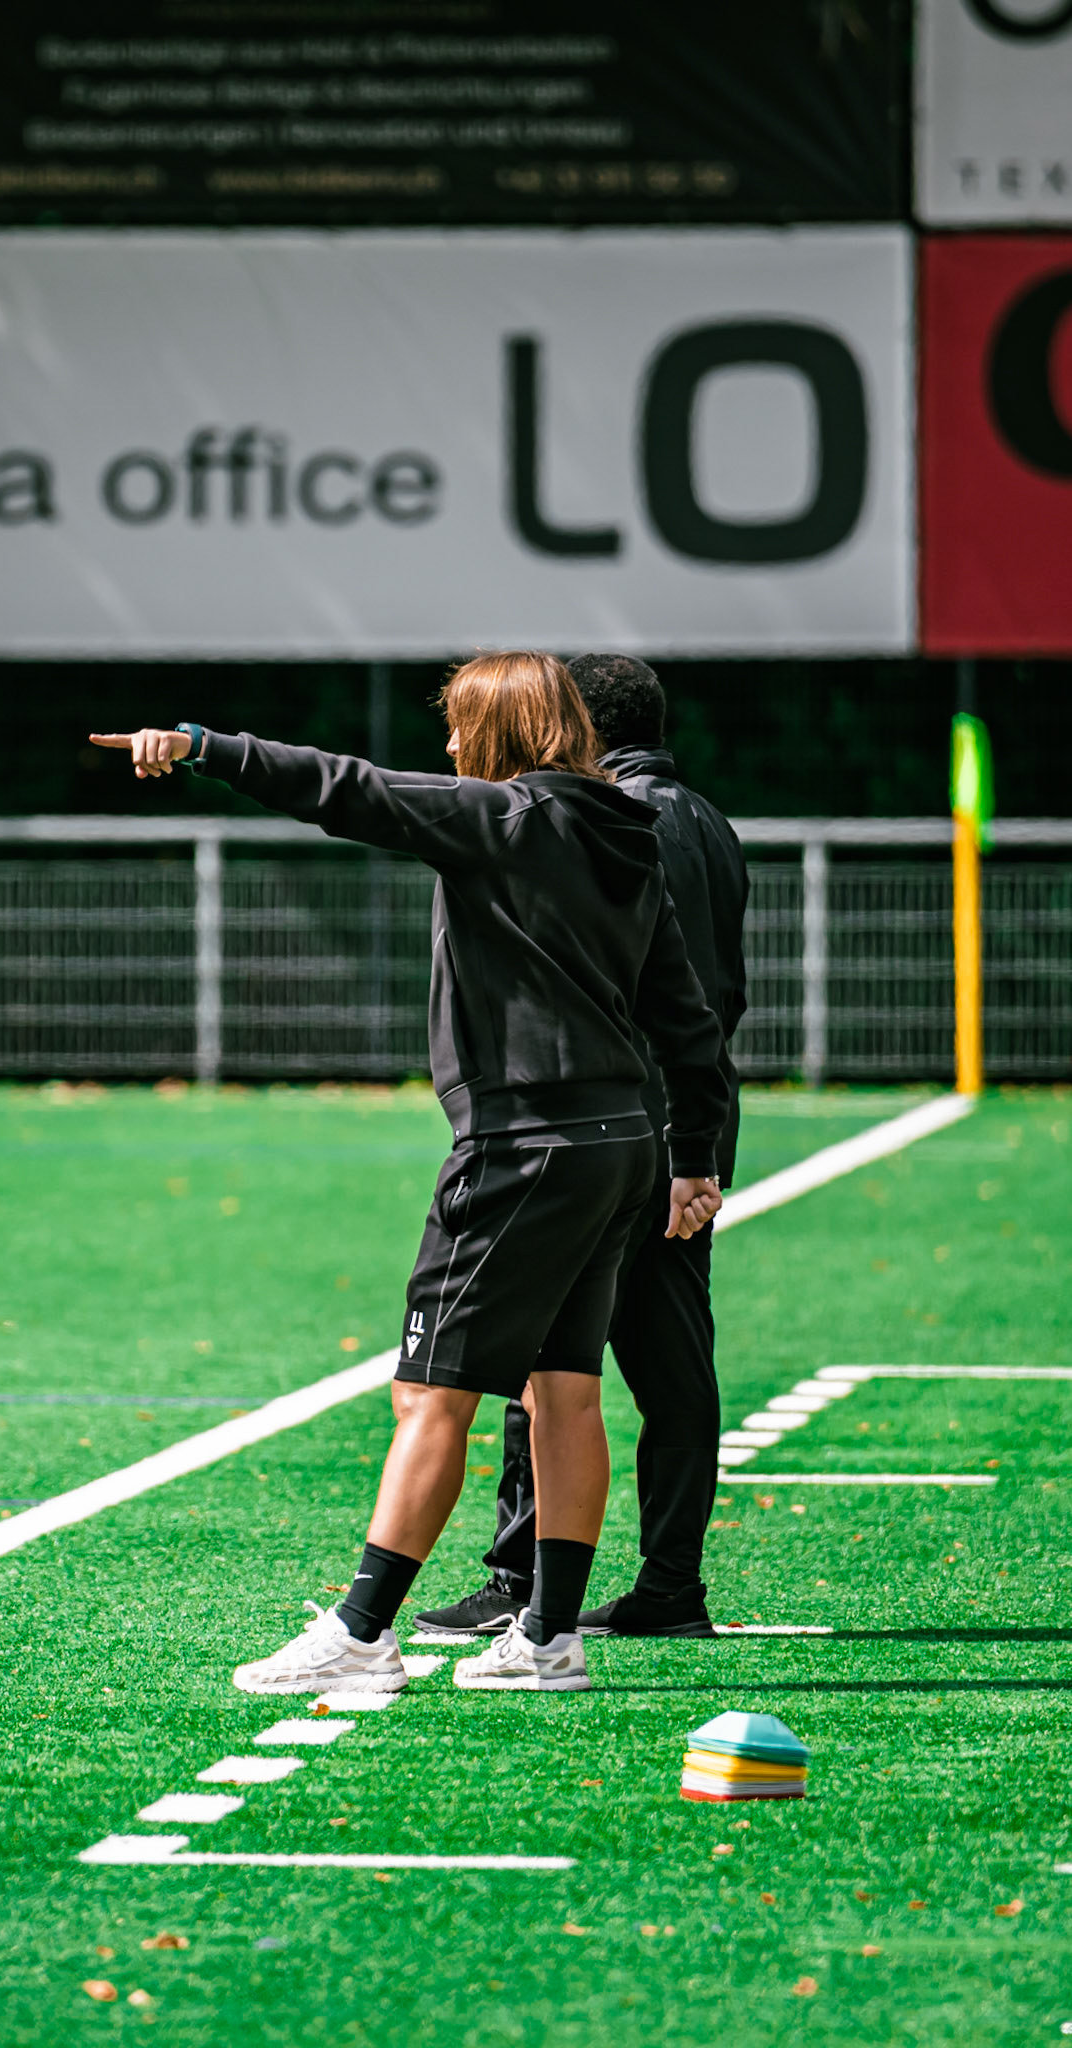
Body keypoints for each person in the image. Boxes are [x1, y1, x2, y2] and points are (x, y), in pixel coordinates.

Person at [89, 651, 728, 1695]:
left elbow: (347, 788)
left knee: (430, 1394)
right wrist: (694, 1154)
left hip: (524, 1146)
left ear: (503, 733)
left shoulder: (507, 819)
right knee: (563, 1389)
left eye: (458, 727)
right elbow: (686, 1014)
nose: (445, 747)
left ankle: (363, 1628)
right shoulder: (631, 835)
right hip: (623, 1144)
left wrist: (206, 746)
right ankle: (550, 1636)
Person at [414, 654, 748, 1643]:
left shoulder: (605, 820)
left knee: (547, 1356)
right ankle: (671, 1582)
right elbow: (705, 1003)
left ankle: (520, 1578)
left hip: (598, 1126)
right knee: (675, 1356)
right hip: (679, 1129)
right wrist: (699, 1143)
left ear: (578, 726)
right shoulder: (709, 820)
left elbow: (635, 987)